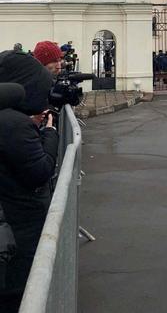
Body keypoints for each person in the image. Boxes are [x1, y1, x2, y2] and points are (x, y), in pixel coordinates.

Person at [0, 50, 60, 310]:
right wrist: (49, 132)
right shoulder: (13, 125)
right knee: (23, 281)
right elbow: (40, 169)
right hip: (21, 218)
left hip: (14, 216)